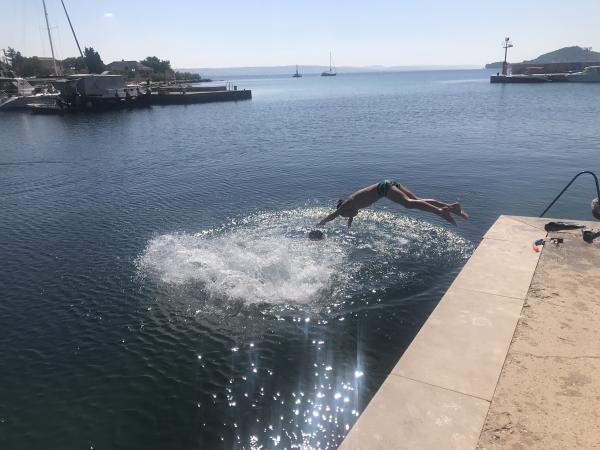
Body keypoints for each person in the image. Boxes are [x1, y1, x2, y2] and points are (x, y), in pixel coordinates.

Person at [318, 180, 469, 227]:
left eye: (344, 216)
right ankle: (451, 207)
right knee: (417, 200)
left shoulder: (347, 204)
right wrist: (349, 224)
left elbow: (333, 215)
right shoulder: (352, 208)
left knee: (408, 204)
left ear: (343, 208)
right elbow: (351, 216)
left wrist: (320, 224)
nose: (349, 216)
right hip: (387, 183)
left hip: (383, 189)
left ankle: (441, 212)